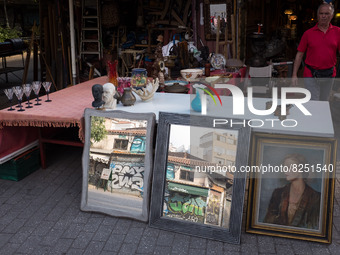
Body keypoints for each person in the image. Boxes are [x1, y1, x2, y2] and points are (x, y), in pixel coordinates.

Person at [292, 2, 340, 101]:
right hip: (311, 74)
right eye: (321, 13)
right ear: (317, 15)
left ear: (331, 16)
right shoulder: (308, 33)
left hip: (329, 74)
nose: (324, 16)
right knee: (313, 100)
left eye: (327, 14)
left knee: (324, 100)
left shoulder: (338, 32)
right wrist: (294, 75)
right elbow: (299, 54)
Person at [263, 154, 321, 230]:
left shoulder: (315, 197)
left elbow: (313, 227)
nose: (285, 170)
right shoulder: (278, 193)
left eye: (289, 167)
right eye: (284, 167)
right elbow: (268, 221)